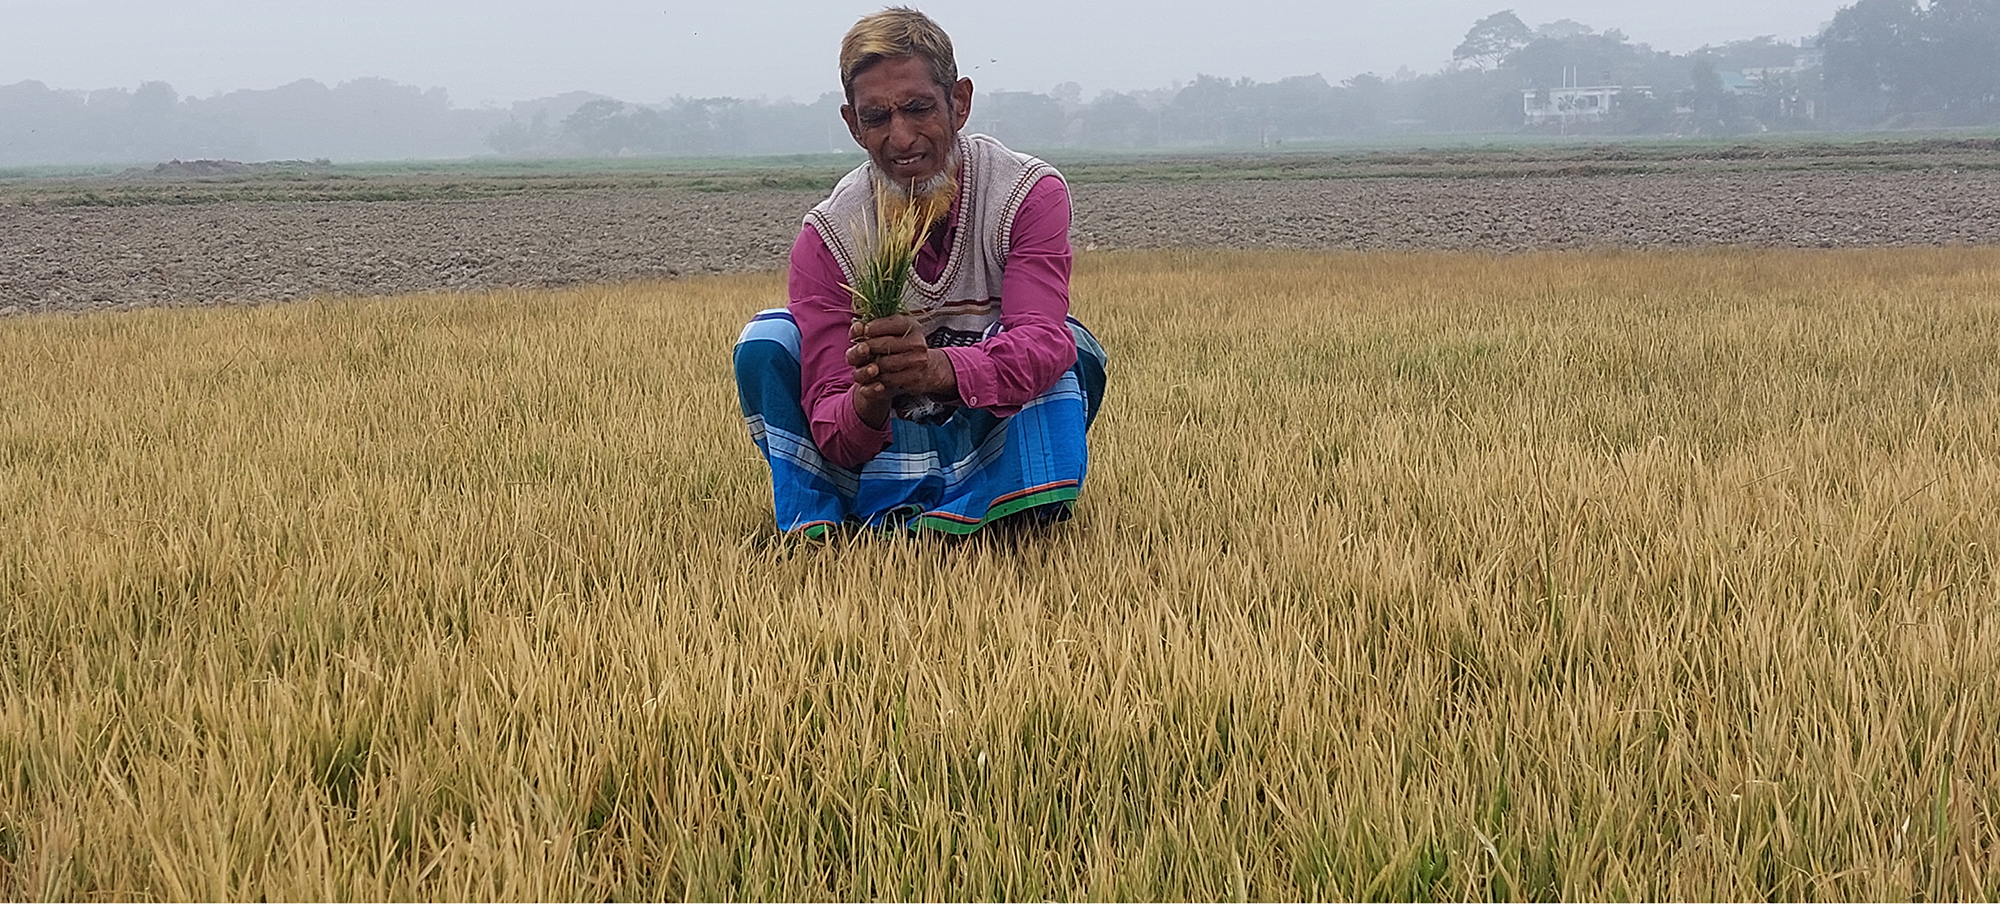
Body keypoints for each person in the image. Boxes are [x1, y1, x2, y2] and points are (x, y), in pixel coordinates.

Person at [734, 6, 1107, 538]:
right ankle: (834, 519)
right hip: (884, 444)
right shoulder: (829, 236)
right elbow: (830, 419)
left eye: (918, 108)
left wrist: (936, 370)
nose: (902, 137)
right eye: (877, 117)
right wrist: (870, 392)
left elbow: (1041, 342)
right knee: (766, 342)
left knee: (1068, 343)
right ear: (852, 125)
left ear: (960, 103)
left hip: (983, 426)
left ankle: (1004, 503)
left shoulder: (1024, 194)